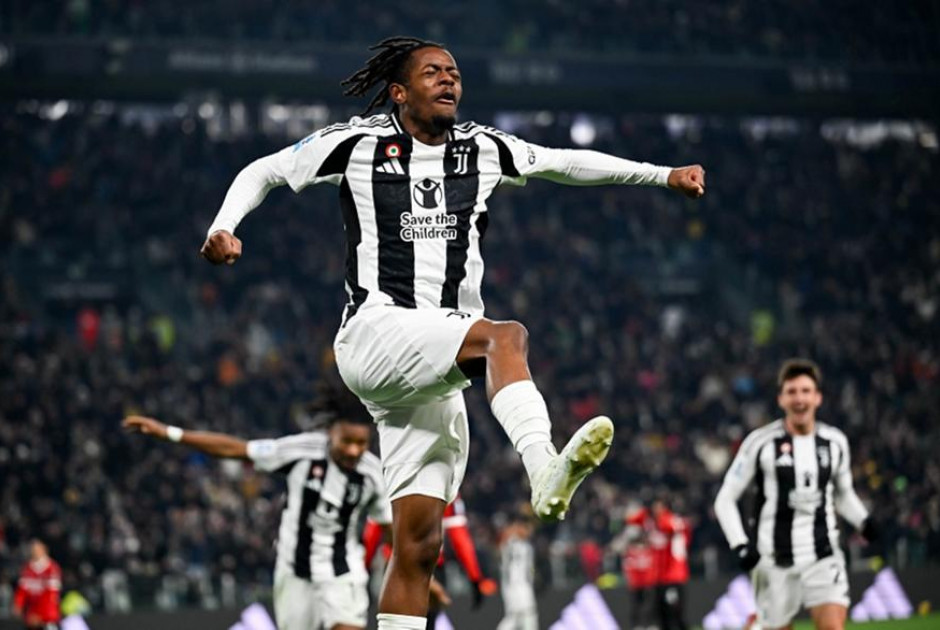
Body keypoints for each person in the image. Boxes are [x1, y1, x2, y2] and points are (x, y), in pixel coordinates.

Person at [200, 36, 706, 630]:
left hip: (432, 368)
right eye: (433, 72)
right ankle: (543, 467)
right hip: (377, 332)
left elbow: (564, 162)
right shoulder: (356, 143)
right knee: (505, 337)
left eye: (454, 72)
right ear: (398, 92)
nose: (448, 80)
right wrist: (223, 225)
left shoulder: (483, 148)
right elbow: (264, 170)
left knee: (418, 547)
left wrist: (663, 175)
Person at [122, 383, 395, 630]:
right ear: (331, 432)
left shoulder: (373, 475)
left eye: (361, 443)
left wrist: (409, 576)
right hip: (293, 573)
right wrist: (170, 433)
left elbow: (390, 530)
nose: (353, 450)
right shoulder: (300, 451)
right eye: (346, 441)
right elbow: (236, 449)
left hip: (343, 573)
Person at [714, 359, 879, 630]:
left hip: (823, 555)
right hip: (773, 561)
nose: (799, 399)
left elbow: (843, 494)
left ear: (817, 397)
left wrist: (864, 521)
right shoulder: (760, 443)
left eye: (805, 391)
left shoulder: (835, 442)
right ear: (781, 399)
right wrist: (740, 544)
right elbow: (725, 499)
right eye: (792, 392)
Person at [651, 499, 690, 630]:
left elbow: (669, 526)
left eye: (658, 507)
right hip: (661, 577)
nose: (655, 511)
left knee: (674, 611)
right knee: (661, 613)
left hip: (673, 576)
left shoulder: (669, 520)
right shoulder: (657, 525)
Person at [496, 513, 537, 630]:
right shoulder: (512, 544)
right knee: (521, 615)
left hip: (523, 584)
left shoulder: (526, 545)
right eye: (526, 527)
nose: (529, 531)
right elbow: (502, 557)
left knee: (523, 616)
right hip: (514, 585)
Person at [12, 539, 62, 630]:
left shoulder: (51, 568)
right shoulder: (27, 568)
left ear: (44, 550)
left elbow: (51, 594)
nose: (34, 552)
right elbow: (22, 590)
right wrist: (18, 605)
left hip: (47, 616)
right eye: (33, 550)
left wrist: (39, 615)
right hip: (31, 615)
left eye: (37, 549)